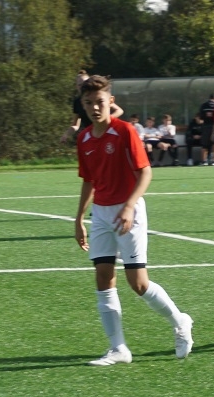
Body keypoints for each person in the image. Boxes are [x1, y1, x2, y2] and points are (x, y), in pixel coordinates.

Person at [73, 75, 194, 366]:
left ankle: (180, 322)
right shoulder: (84, 138)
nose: (94, 108)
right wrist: (79, 219)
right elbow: (88, 181)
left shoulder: (125, 131)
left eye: (99, 102)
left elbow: (145, 172)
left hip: (129, 211)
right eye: (88, 103)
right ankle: (119, 349)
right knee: (103, 278)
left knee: (138, 283)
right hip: (100, 214)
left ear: (110, 101)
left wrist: (128, 207)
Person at [60, 70, 122, 144]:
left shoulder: (98, 97)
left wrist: (103, 122)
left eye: (85, 83)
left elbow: (119, 110)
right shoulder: (77, 102)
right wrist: (66, 134)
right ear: (76, 87)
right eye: (80, 85)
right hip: (91, 137)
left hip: (106, 133)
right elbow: (75, 125)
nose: (83, 86)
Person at [196, 92, 214, 166]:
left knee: (204, 145)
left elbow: (200, 118)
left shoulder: (203, 105)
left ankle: (204, 161)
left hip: (205, 126)